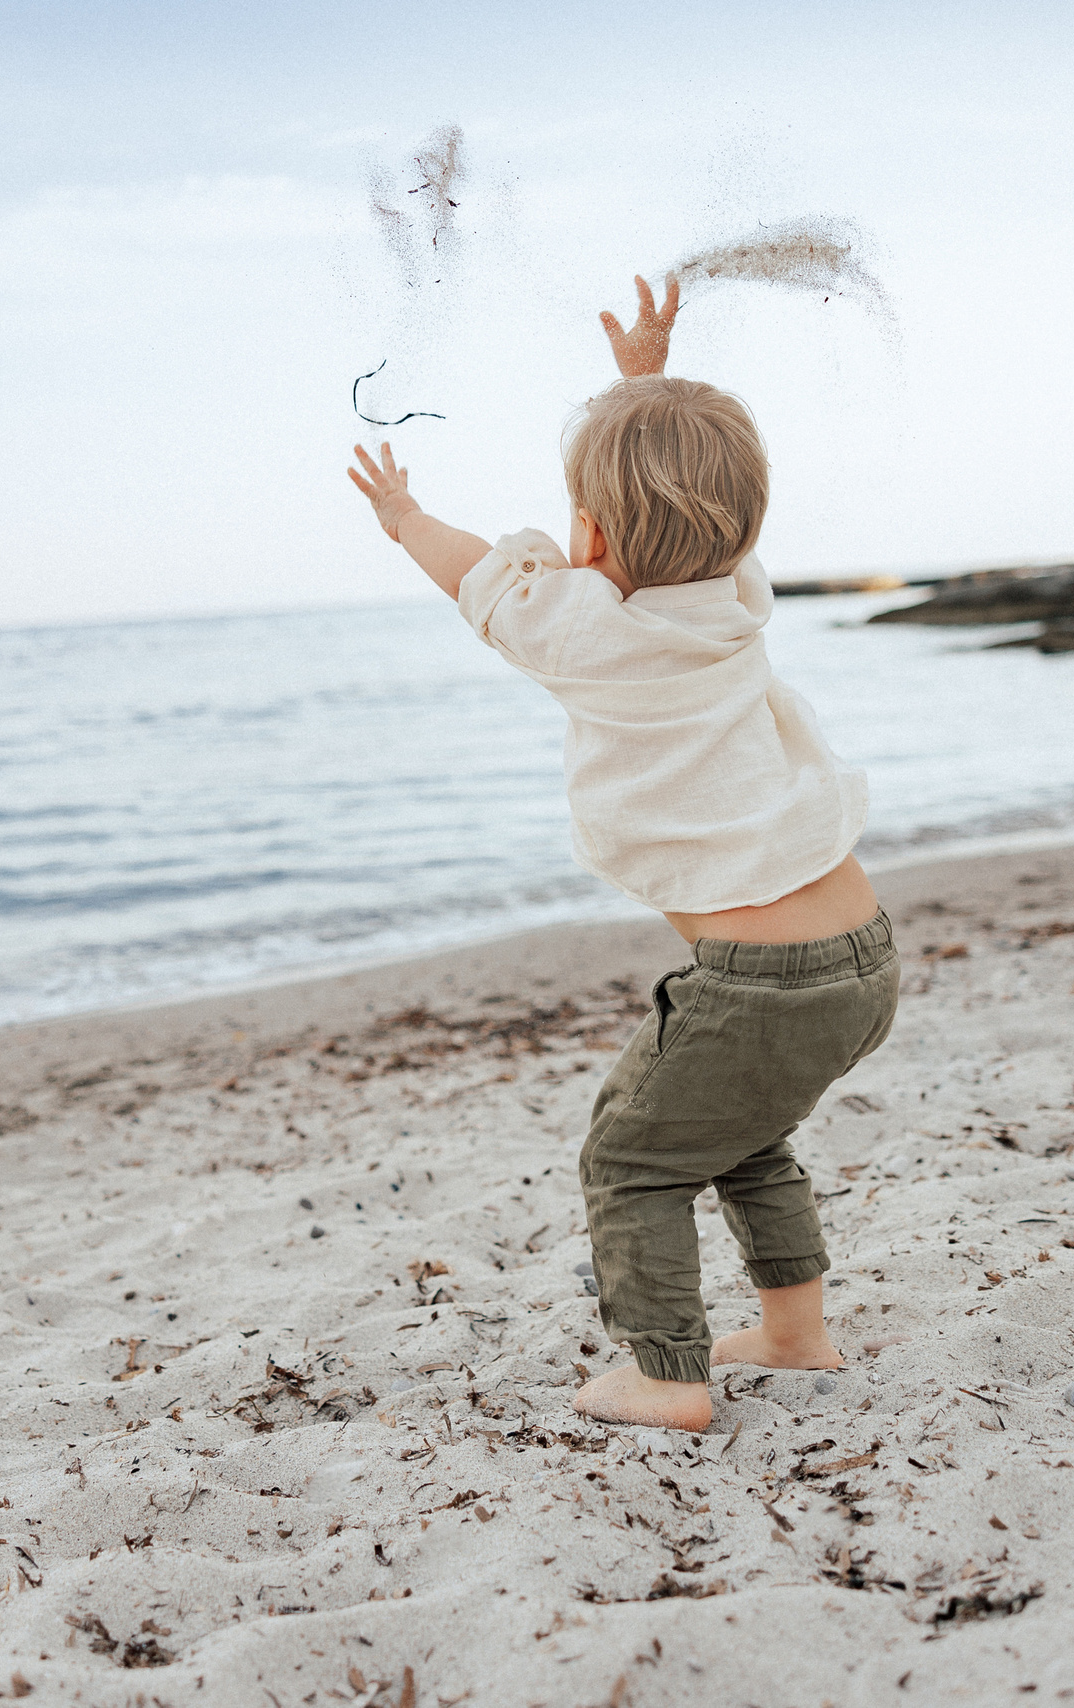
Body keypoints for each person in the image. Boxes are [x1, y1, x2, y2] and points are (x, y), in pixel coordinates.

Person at [344, 275, 897, 1432]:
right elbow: (678, 506)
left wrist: (403, 518)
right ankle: (796, 1331)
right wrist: (646, 391)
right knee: (744, 1138)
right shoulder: (734, 597)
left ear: (587, 536)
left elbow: (472, 572)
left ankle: (666, 1374)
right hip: (860, 956)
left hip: (758, 988)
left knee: (631, 1159)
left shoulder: (583, 627)